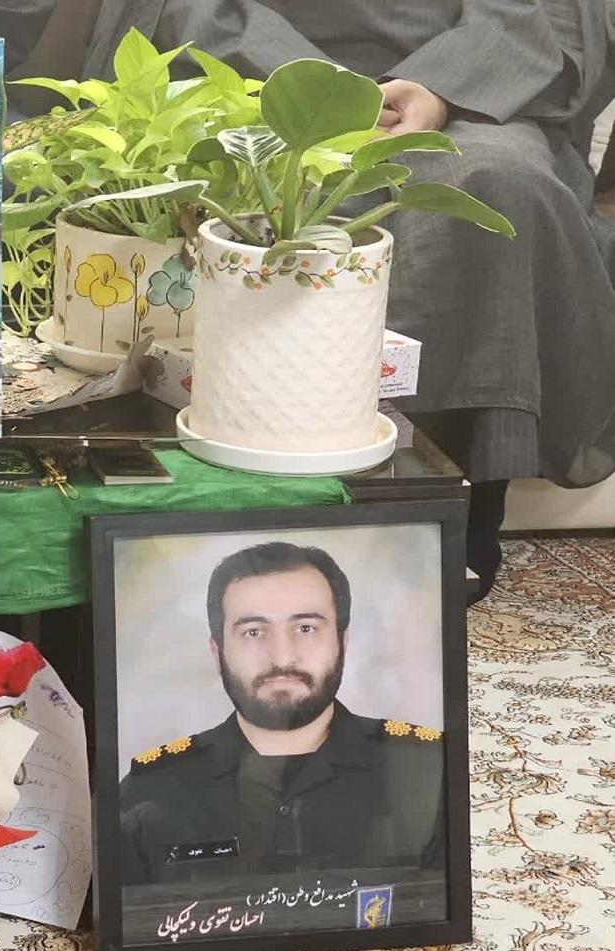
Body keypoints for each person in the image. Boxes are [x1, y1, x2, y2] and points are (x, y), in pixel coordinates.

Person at [80, 0, 615, 601]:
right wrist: (325, 96)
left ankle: (456, 511)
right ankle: (242, 514)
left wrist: (439, 87)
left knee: (502, 186)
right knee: (240, 183)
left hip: (467, 90)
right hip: (250, 71)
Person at [119, 542, 445, 885]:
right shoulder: (152, 788)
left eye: (305, 628)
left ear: (343, 642)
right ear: (218, 652)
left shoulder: (424, 771)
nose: (281, 657)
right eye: (253, 632)